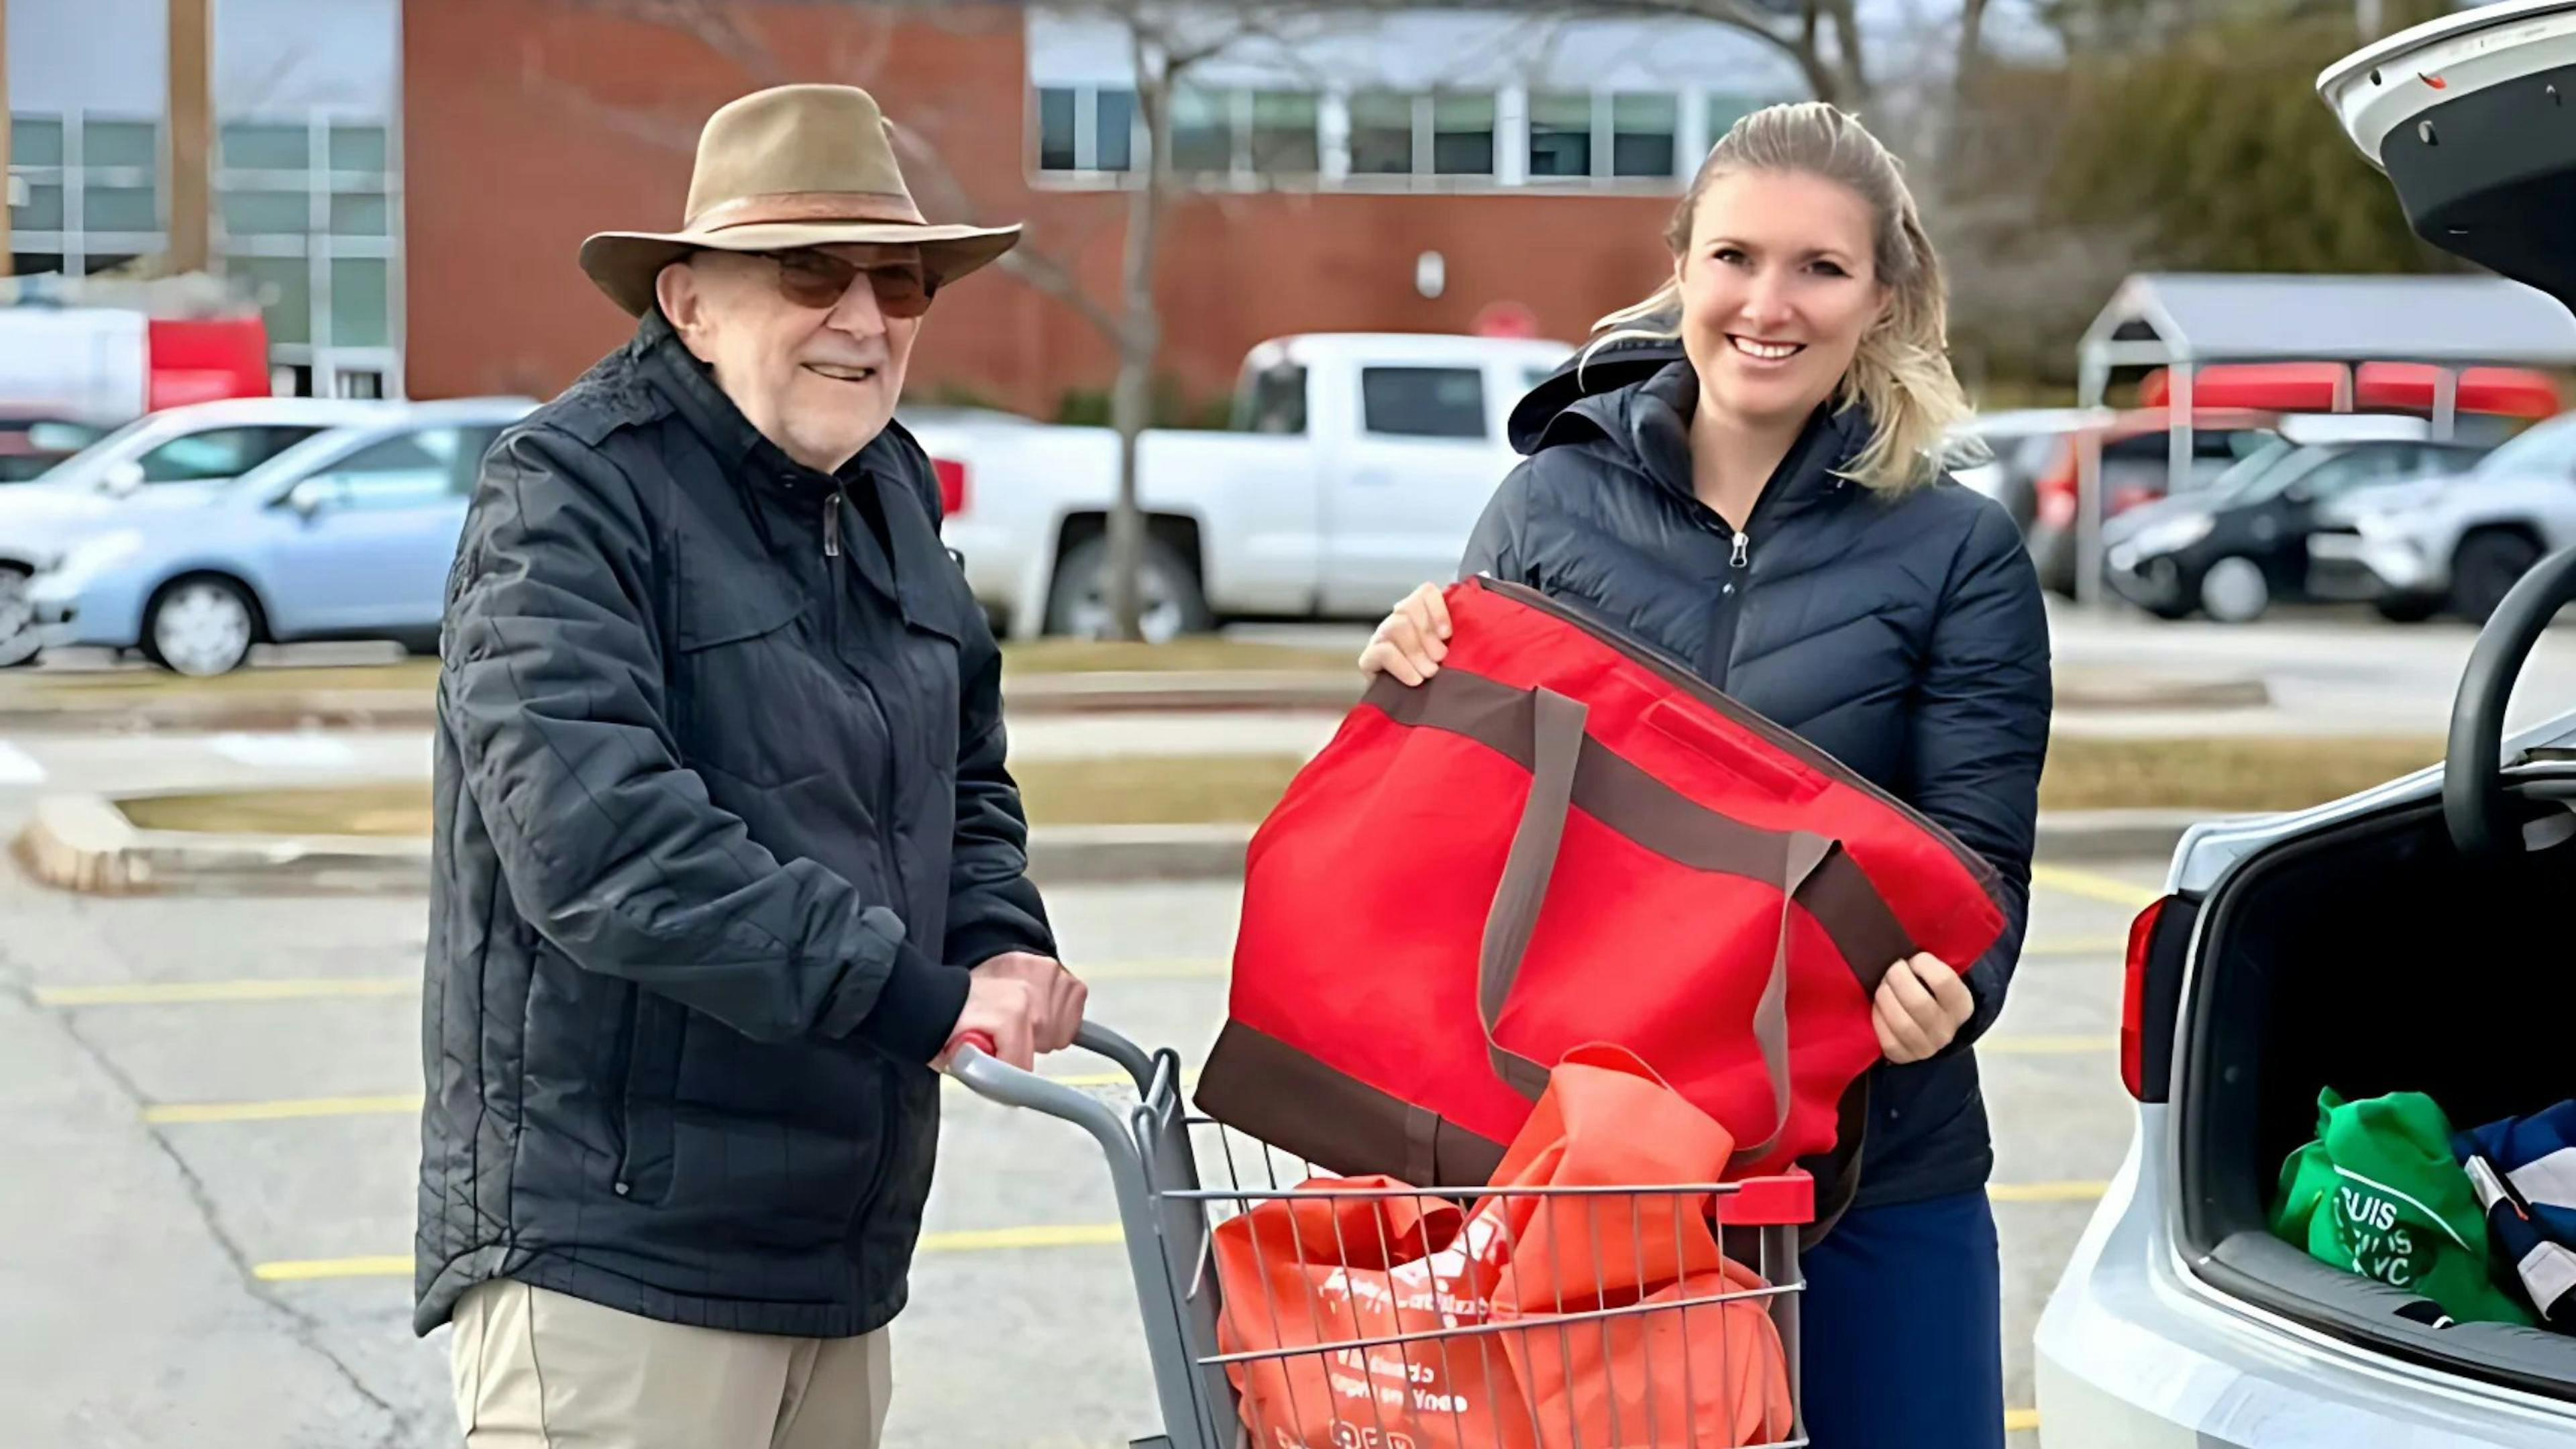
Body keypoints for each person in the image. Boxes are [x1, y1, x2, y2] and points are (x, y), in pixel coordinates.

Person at [1359, 102, 2050, 1449]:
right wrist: (1405, 682)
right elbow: (1468, 830)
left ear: (1884, 299)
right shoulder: (1548, 506)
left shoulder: (1957, 550)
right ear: (1681, 265)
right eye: (1735, 257)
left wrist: (1956, 985)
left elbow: (1980, 860)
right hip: (1597, 1169)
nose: (1768, 304)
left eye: (1820, 269)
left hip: (1874, 1172)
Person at [413, 84, 1086, 1448]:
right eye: (811, 271)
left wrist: (1001, 940)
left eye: (899, 283)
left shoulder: (892, 487)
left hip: (839, 1260)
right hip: (618, 1260)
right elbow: (600, 848)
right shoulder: (570, 491)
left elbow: (963, 770)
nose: (863, 317)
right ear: (690, 301)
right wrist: (910, 994)